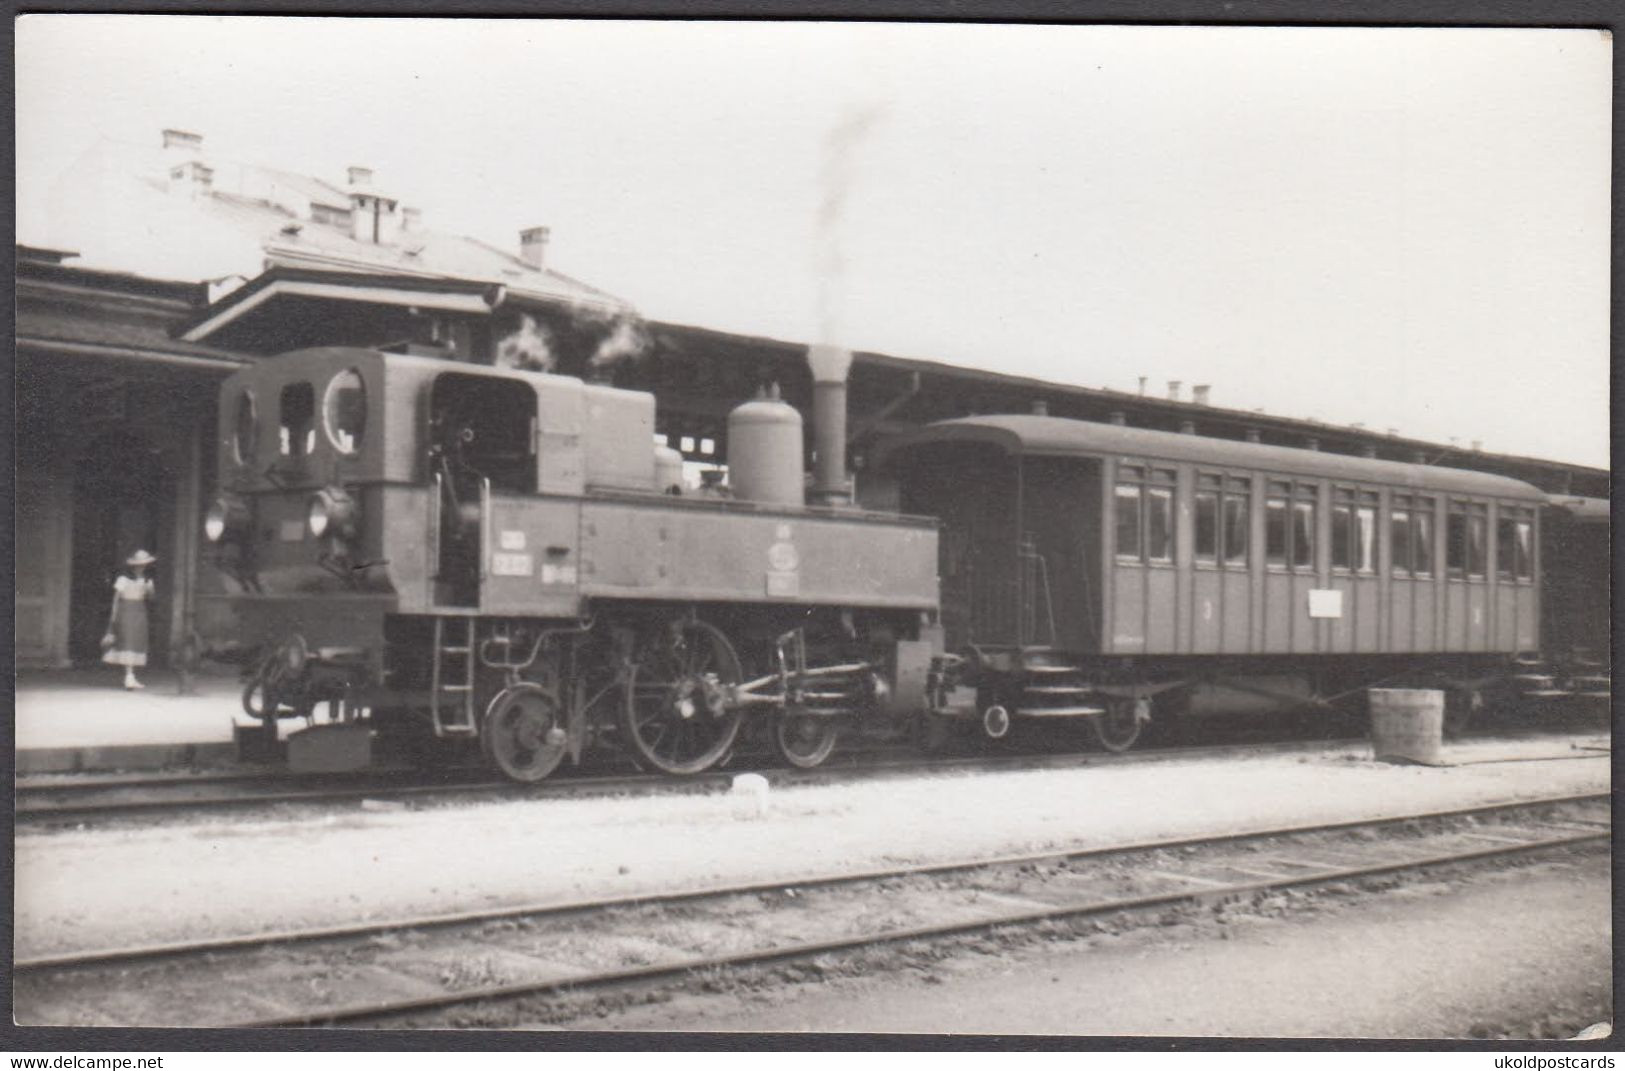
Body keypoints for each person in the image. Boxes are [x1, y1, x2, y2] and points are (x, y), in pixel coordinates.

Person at [102, 550, 156, 690]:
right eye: (139, 564)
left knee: (136, 642)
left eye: (144, 564)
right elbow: (116, 599)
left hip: (139, 611)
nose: (141, 567)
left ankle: (131, 676)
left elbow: (151, 598)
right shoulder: (123, 579)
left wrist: (149, 589)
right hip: (125, 611)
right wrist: (113, 617)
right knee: (127, 641)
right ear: (133, 565)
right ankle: (129, 676)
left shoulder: (147, 579)